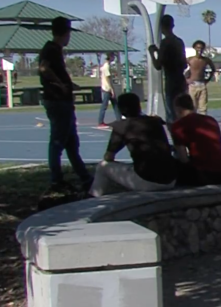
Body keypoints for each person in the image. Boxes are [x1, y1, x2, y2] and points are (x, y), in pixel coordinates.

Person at [38, 16, 93, 192]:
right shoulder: (51, 49)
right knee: (57, 141)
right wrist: (60, 85)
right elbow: (44, 69)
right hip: (57, 101)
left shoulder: (56, 50)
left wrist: (68, 84)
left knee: (71, 142)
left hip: (64, 101)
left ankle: (84, 176)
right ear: (65, 33)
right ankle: (56, 179)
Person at [89, 92, 178, 197]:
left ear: (121, 109)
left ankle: (93, 198)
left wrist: (121, 142)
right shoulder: (155, 122)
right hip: (171, 180)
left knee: (102, 167)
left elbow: (108, 157)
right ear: (139, 106)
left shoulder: (122, 127)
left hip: (147, 182)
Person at [169, 93, 221, 186]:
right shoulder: (211, 120)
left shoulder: (179, 126)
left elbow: (183, 158)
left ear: (177, 109)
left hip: (203, 174)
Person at [148, 14, 187, 123]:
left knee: (172, 112)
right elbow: (184, 64)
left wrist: (152, 53)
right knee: (181, 109)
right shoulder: (179, 42)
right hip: (181, 79)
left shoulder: (165, 43)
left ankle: (175, 132)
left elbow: (158, 65)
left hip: (171, 80)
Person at [185, 40, 216, 115]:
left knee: (203, 107)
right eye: (198, 48)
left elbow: (213, 69)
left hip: (202, 85)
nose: (199, 50)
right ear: (194, 48)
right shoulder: (190, 59)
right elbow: (180, 68)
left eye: (201, 48)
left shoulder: (206, 60)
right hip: (192, 85)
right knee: (192, 106)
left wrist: (208, 79)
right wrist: (186, 79)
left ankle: (202, 123)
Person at [96, 52, 121, 128]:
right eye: (113, 57)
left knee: (115, 104)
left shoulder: (106, 66)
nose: (114, 58)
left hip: (106, 87)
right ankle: (100, 122)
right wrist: (112, 89)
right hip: (107, 88)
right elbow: (108, 78)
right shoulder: (106, 66)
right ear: (110, 57)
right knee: (104, 106)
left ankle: (119, 120)